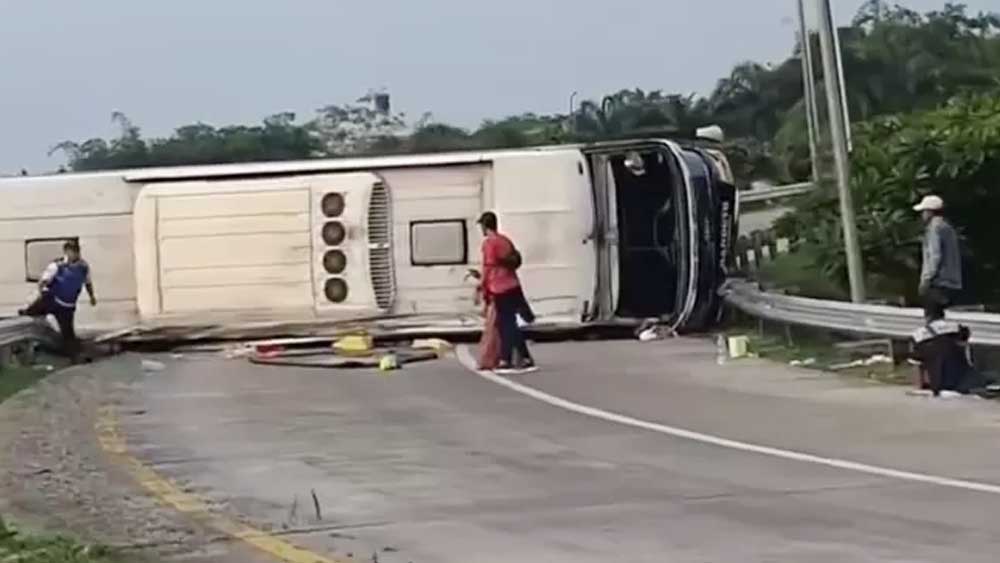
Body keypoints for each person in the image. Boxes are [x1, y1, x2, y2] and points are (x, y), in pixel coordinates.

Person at [477, 211, 536, 373]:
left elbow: (488, 267)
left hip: (499, 287)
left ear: (485, 226)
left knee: (505, 325)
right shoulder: (505, 241)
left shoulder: (489, 244)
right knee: (510, 323)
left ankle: (506, 359)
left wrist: (483, 287)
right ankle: (524, 357)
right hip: (513, 285)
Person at [19, 240, 97, 361]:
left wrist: (92, 296)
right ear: (66, 252)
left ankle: (75, 356)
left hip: (67, 306)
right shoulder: (57, 265)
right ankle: (26, 319)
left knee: (68, 333)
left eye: (77, 252)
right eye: (72, 252)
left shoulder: (83, 267)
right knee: (34, 310)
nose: (75, 255)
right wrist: (40, 292)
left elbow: (88, 283)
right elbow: (43, 281)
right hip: (52, 300)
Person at [913, 195, 962, 321]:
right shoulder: (948, 228)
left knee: (932, 319)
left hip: (938, 283)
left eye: (923, 212)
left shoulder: (934, 228)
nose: (922, 215)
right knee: (941, 319)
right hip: (952, 282)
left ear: (930, 212)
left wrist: (925, 280)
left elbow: (934, 256)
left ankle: (936, 340)